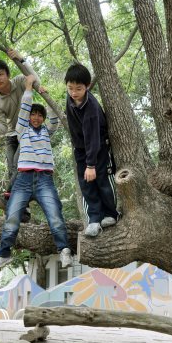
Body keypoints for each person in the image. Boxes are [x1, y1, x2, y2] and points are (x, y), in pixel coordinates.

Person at [0, 74, 73, 270]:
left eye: (39, 115)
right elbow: (24, 110)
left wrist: (46, 96)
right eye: (32, 115)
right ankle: (3, 254)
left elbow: (55, 118)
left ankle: (65, 251)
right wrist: (28, 90)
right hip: (24, 179)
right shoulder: (22, 130)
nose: (35, 118)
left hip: (44, 179)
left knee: (55, 215)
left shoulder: (47, 131)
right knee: (12, 216)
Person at [0, 50, 41, 219]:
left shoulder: (19, 81)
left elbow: (35, 81)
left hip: (28, 130)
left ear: (8, 75)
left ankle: (7, 198)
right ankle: (23, 211)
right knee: (14, 171)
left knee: (21, 166)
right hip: (12, 135)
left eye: (0, 74)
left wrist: (22, 59)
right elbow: (2, 129)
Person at [65, 64, 119, 237]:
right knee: (86, 185)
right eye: (70, 88)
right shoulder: (70, 98)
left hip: (98, 147)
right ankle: (94, 219)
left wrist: (91, 164)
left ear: (87, 87)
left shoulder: (91, 108)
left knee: (102, 179)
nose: (74, 92)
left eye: (78, 89)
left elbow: (93, 138)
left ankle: (111, 214)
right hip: (81, 149)